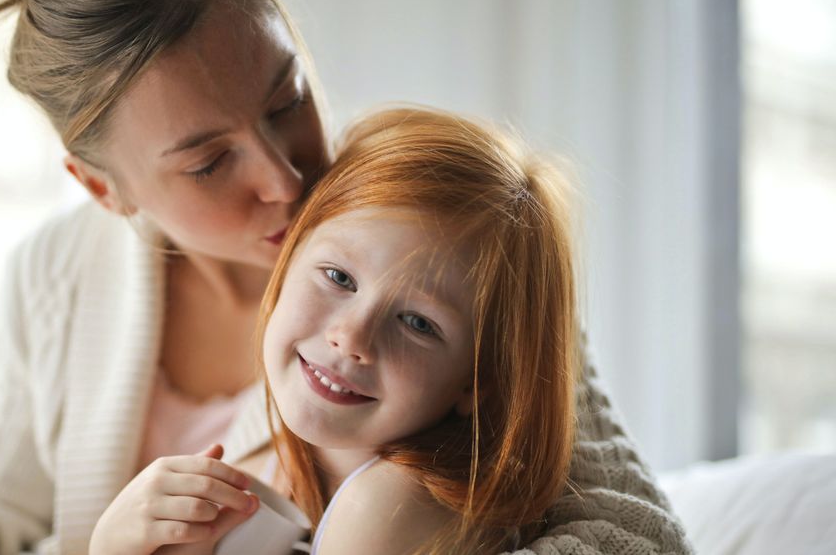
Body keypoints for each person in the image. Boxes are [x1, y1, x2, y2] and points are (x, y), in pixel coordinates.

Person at [0, 0, 691, 554]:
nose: (286, 177)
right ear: (101, 186)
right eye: (208, 164)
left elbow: (633, 534)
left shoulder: (441, 241)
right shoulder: (55, 274)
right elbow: (7, 527)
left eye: (288, 100)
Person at [88, 106, 694, 555]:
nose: (352, 337)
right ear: (287, 254)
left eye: (418, 323)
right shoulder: (273, 483)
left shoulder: (393, 510)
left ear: (477, 381)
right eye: (337, 276)